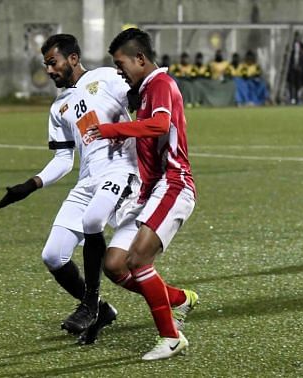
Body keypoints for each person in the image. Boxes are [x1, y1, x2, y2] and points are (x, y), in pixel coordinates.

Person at [0, 34, 136, 344]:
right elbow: (63, 159)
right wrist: (29, 185)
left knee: (95, 224)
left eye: (52, 62)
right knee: (53, 255)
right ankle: (101, 308)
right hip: (87, 181)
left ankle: (89, 305)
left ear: (73, 58)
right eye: (45, 64)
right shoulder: (59, 107)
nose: (48, 70)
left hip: (121, 170)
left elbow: (140, 99)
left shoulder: (107, 77)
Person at [86, 28, 199, 361]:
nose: (120, 70)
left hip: (174, 183)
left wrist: (113, 130)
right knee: (115, 264)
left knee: (137, 260)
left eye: (121, 64)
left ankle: (170, 337)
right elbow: (150, 134)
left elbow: (161, 126)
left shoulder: (161, 84)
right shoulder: (145, 91)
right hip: (149, 191)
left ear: (140, 58)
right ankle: (178, 299)